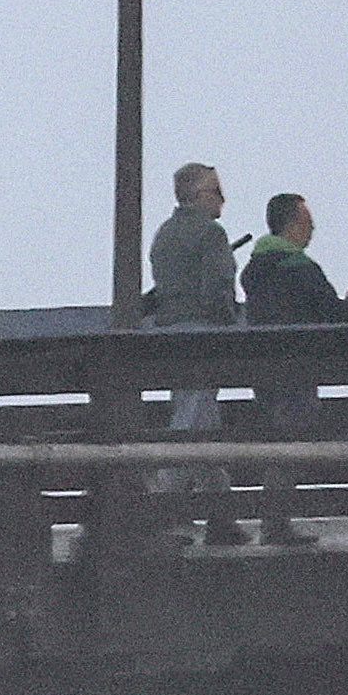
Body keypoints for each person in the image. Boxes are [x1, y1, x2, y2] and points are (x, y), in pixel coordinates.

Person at [236, 191, 348, 547]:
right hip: (296, 369)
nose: (312, 230)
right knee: (290, 442)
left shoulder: (255, 269)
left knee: (276, 442)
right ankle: (276, 525)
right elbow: (332, 313)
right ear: (292, 224)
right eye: (308, 223)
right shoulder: (300, 268)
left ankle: (272, 522)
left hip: (263, 371)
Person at [143, 161, 244, 542]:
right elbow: (218, 291)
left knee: (203, 421)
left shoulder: (164, 235)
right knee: (190, 420)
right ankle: (161, 507)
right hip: (202, 338)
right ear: (202, 196)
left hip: (170, 338)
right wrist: (229, 323)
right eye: (217, 191)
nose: (223, 198)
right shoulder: (212, 234)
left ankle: (222, 518)